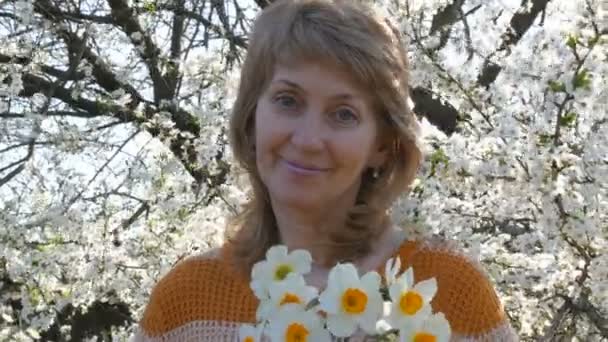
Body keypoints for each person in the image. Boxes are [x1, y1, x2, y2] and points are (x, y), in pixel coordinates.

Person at [133, 0, 518, 341]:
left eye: (343, 114)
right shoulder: (184, 304)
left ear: (382, 147)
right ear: (252, 120)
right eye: (288, 101)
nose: (308, 139)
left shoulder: (452, 293)